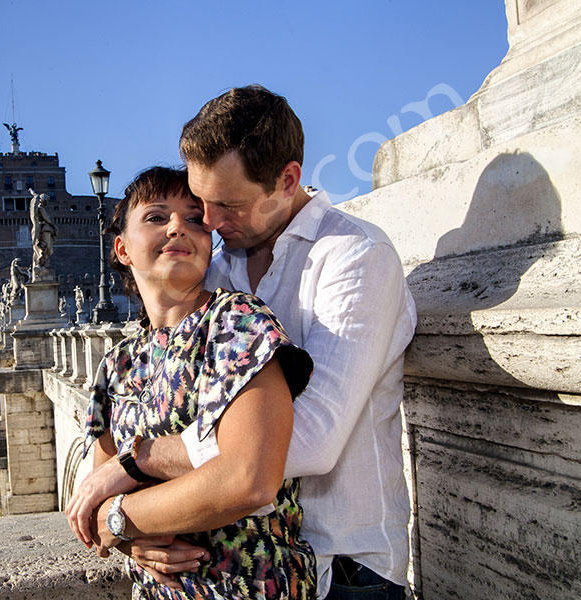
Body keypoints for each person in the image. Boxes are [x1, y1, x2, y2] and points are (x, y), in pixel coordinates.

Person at [67, 85, 416, 599]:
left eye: (224, 205)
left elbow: (309, 440)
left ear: (287, 180)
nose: (205, 222)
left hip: (344, 566)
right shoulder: (220, 266)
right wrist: (129, 533)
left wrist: (133, 482)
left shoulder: (354, 258)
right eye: (200, 200)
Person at [69, 166, 316, 599]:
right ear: (122, 249)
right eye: (156, 217)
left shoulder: (236, 322)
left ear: (209, 242)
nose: (177, 227)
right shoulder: (118, 365)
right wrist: (129, 540)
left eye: (194, 218)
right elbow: (95, 498)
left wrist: (124, 519)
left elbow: (249, 479)